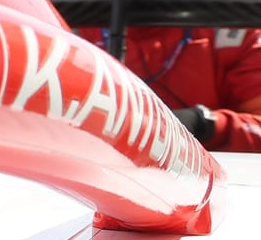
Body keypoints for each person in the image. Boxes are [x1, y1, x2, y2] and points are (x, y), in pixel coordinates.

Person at [81, 25, 261, 152]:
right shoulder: (70, 30)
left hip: (210, 184)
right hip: (95, 177)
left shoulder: (234, 32)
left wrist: (207, 125)